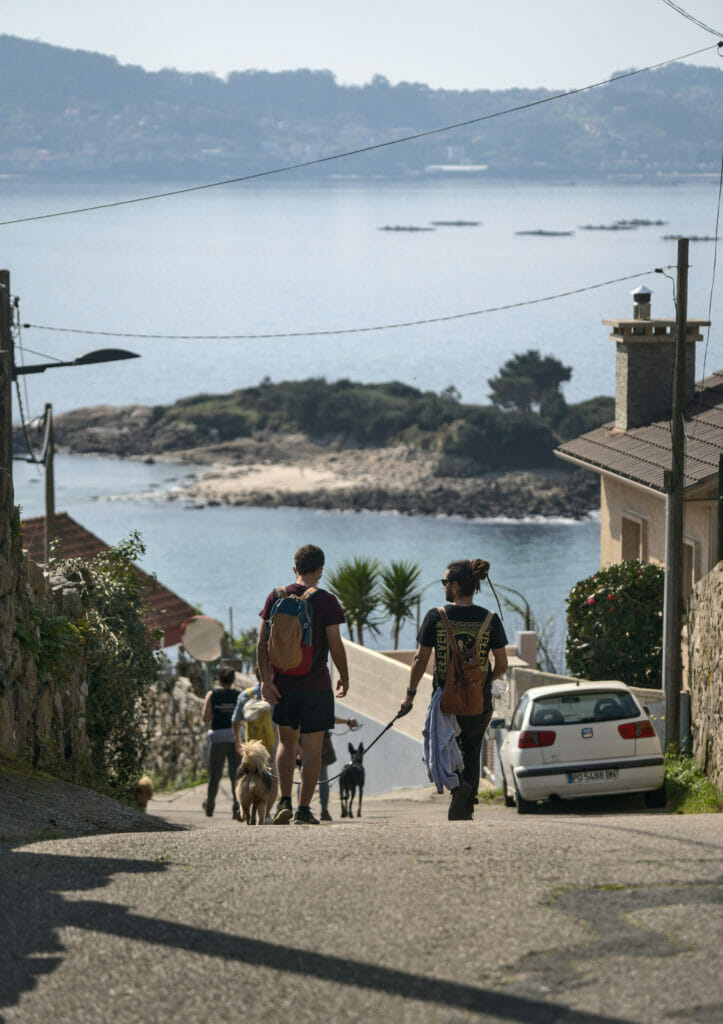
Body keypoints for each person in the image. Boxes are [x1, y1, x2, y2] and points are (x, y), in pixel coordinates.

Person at [399, 558, 508, 821]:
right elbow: (502, 664)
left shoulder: (437, 617)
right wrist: (481, 681)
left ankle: (459, 790)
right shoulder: (490, 619)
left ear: (456, 586)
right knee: (472, 750)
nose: (444, 586)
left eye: (445, 582)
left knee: (446, 746)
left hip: (446, 700)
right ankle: (466, 804)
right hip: (478, 701)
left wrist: (409, 695)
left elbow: (419, 659)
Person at [258, 544, 349, 825]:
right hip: (316, 685)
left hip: (283, 685)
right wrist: (345, 676)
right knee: (312, 749)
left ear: (294, 568)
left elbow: (262, 644)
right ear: (320, 570)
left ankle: (284, 800)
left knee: (286, 742)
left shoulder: (276, 595)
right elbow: (335, 644)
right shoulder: (327, 600)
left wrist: (265, 681)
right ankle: (304, 809)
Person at [231, 680, 278, 822]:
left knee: (244, 776)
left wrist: (238, 741)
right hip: (270, 746)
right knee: (272, 780)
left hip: (250, 749)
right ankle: (267, 814)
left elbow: (235, 721)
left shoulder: (245, 695)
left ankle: (243, 809)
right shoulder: (276, 693)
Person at [201, 664, 241, 819]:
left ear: (218, 679)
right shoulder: (239, 695)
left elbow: (205, 718)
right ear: (233, 680)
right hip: (235, 739)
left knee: (215, 775)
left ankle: (210, 804)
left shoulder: (212, 695)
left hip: (217, 739)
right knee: (235, 775)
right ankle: (237, 807)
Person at [316, 715, 358, 821]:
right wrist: (347, 721)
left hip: (301, 738)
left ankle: (301, 809)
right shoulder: (321, 698)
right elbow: (328, 716)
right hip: (320, 739)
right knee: (323, 776)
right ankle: (324, 810)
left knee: (304, 776)